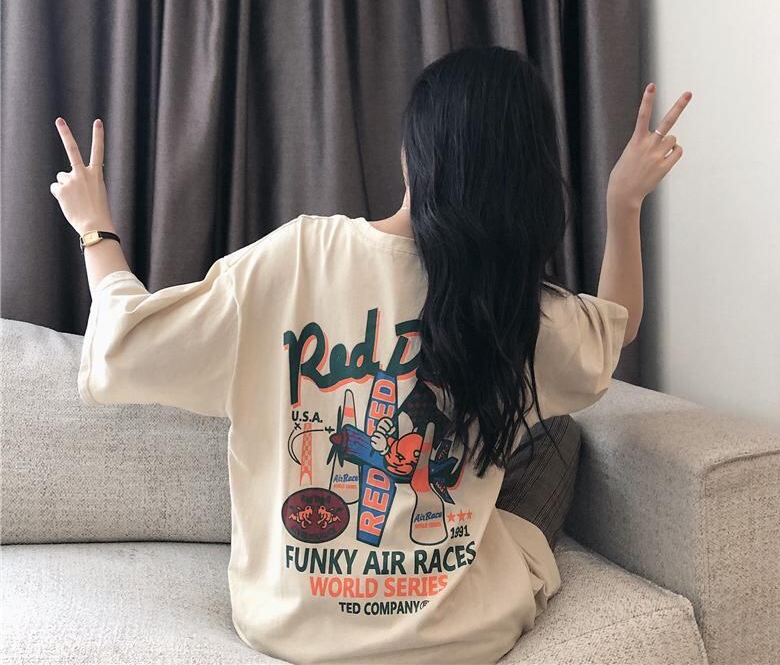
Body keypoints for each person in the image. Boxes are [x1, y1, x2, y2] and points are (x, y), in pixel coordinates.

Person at [53, 46, 690, 662]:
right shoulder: (513, 306)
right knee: (559, 436)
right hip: (458, 636)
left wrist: (95, 229)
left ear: (413, 152)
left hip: (290, 626)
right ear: (527, 179)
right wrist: (624, 202)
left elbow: (127, 347)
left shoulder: (296, 257)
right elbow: (615, 329)